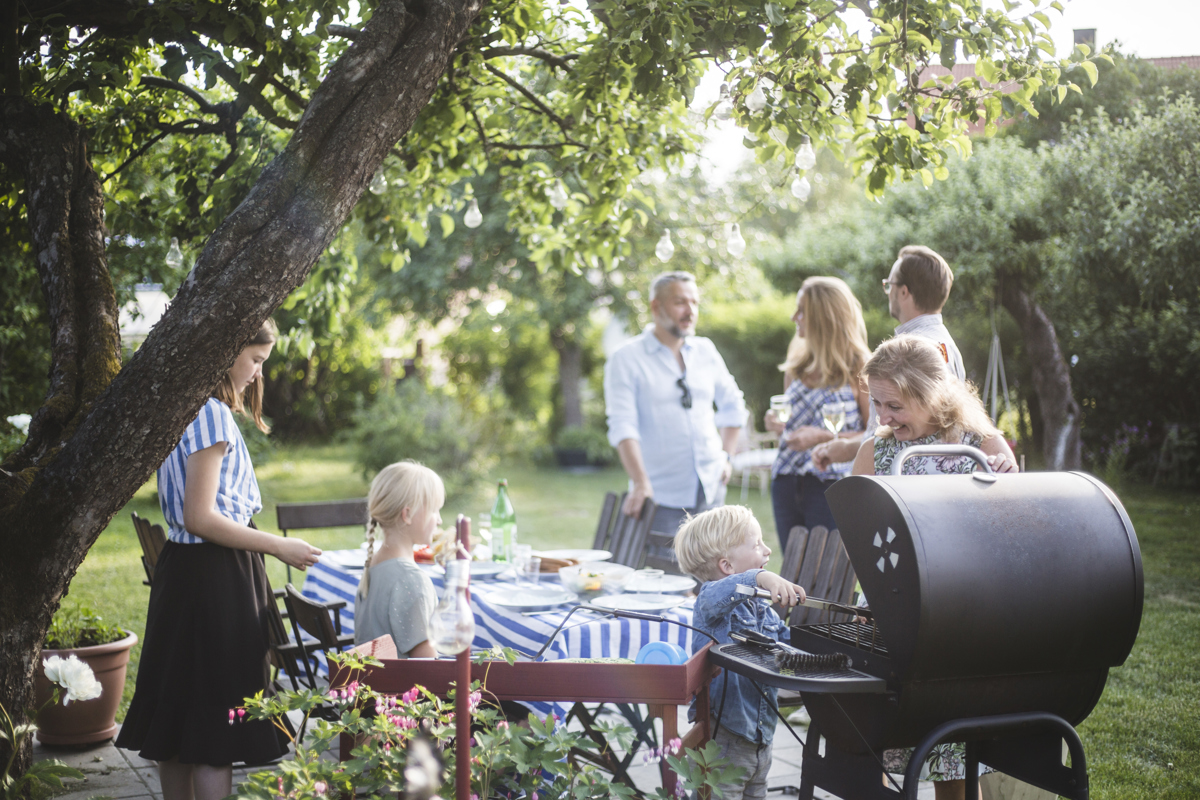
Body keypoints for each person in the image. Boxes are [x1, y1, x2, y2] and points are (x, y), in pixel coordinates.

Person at [116, 319, 322, 800]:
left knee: (178, 714)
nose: (258, 373)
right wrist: (278, 545)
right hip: (216, 577)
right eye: (255, 360)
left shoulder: (183, 410)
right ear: (227, 352)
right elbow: (200, 517)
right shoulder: (211, 416)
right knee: (215, 728)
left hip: (184, 573)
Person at [851, 335, 1016, 800]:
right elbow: (858, 539)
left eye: (895, 405)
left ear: (933, 395)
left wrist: (1006, 484)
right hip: (891, 612)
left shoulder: (980, 445)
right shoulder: (875, 452)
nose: (882, 417)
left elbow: (1012, 540)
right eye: (876, 403)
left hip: (961, 616)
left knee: (953, 752)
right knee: (883, 739)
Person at [674, 505, 807, 800]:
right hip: (723, 736)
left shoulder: (760, 608)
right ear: (727, 566)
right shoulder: (709, 603)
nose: (767, 550)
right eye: (757, 544)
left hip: (760, 734)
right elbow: (723, 592)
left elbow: (788, 643)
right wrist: (759, 577)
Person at [604, 271, 747, 539]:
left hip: (712, 490)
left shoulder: (705, 350)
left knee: (714, 566)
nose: (690, 311)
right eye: (680, 302)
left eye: (694, 302)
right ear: (656, 306)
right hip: (661, 497)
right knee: (665, 567)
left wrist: (726, 457)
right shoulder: (626, 358)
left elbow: (734, 406)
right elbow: (623, 426)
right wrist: (640, 482)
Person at [812, 244, 966, 470]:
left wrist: (850, 451)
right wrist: (847, 447)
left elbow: (905, 431)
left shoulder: (916, 353)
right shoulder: (946, 344)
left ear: (903, 292)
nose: (887, 292)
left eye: (889, 285)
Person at [764, 277, 871, 552]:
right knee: (792, 570)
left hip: (832, 485)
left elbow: (876, 434)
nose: (793, 317)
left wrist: (821, 437)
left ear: (825, 317)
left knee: (827, 570)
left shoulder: (861, 367)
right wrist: (775, 424)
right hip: (786, 480)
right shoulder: (796, 366)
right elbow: (789, 426)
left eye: (802, 311)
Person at [353, 461, 445, 657]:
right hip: (401, 679)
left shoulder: (374, 564)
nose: (439, 520)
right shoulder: (411, 579)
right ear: (408, 514)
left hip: (372, 677)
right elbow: (428, 665)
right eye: (434, 510)